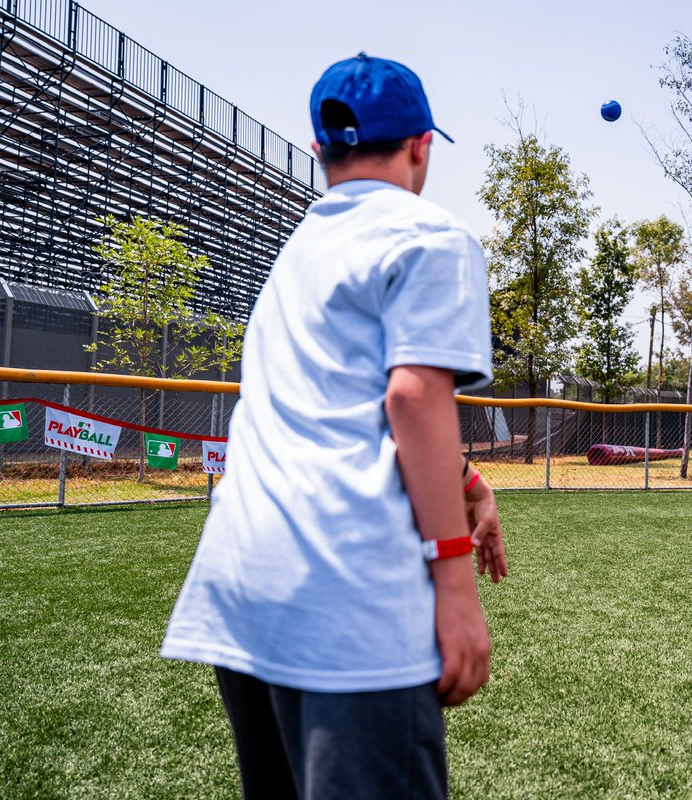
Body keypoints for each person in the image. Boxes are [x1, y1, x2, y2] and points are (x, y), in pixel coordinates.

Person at [161, 53, 506, 799]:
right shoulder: (429, 235)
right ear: (423, 145)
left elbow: (336, 407)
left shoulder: (296, 253)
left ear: (320, 150)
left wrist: (469, 480)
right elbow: (412, 398)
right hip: (345, 590)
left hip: (243, 587)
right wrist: (454, 580)